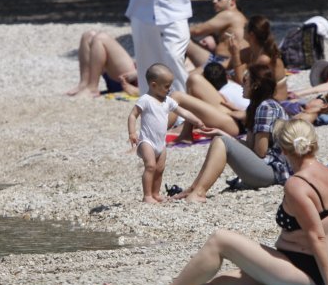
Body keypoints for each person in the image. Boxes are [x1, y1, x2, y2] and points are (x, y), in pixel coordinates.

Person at [104, 118, 328, 285]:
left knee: (220, 239)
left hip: (306, 272)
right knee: (223, 282)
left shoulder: (298, 185)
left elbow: (317, 237)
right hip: (309, 266)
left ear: (284, 149)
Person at [172, 63, 290, 203]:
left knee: (221, 141)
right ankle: (194, 188)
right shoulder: (258, 106)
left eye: (245, 81)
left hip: (272, 173)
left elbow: (260, 151)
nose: (241, 84)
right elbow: (252, 147)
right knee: (220, 139)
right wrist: (222, 133)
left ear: (255, 85)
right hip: (267, 169)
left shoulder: (266, 107)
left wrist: (227, 140)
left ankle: (199, 192)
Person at [128, 64, 207, 203]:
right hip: (146, 141)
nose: (169, 88)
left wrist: (197, 121)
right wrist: (132, 132)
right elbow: (133, 115)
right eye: (166, 86)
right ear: (153, 85)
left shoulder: (168, 101)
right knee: (150, 166)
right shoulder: (145, 100)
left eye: (170, 85)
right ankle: (147, 196)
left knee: (159, 169)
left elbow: (183, 112)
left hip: (160, 142)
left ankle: (156, 193)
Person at [229, 15, 289, 101]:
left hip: (274, 102)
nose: (243, 31)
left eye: (245, 28)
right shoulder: (252, 52)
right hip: (259, 98)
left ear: (251, 35)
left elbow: (242, 83)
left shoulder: (264, 59)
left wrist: (235, 55)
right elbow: (225, 65)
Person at [186, 0, 247, 69]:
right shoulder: (240, 17)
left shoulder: (230, 14)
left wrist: (175, 30)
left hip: (224, 64)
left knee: (183, 39)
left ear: (232, 1)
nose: (214, 1)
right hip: (227, 62)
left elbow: (197, 30)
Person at [67, 29, 138, 97]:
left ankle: (92, 88)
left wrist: (137, 74)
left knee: (101, 38)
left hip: (133, 81)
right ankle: (83, 85)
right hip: (127, 76)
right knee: (88, 35)